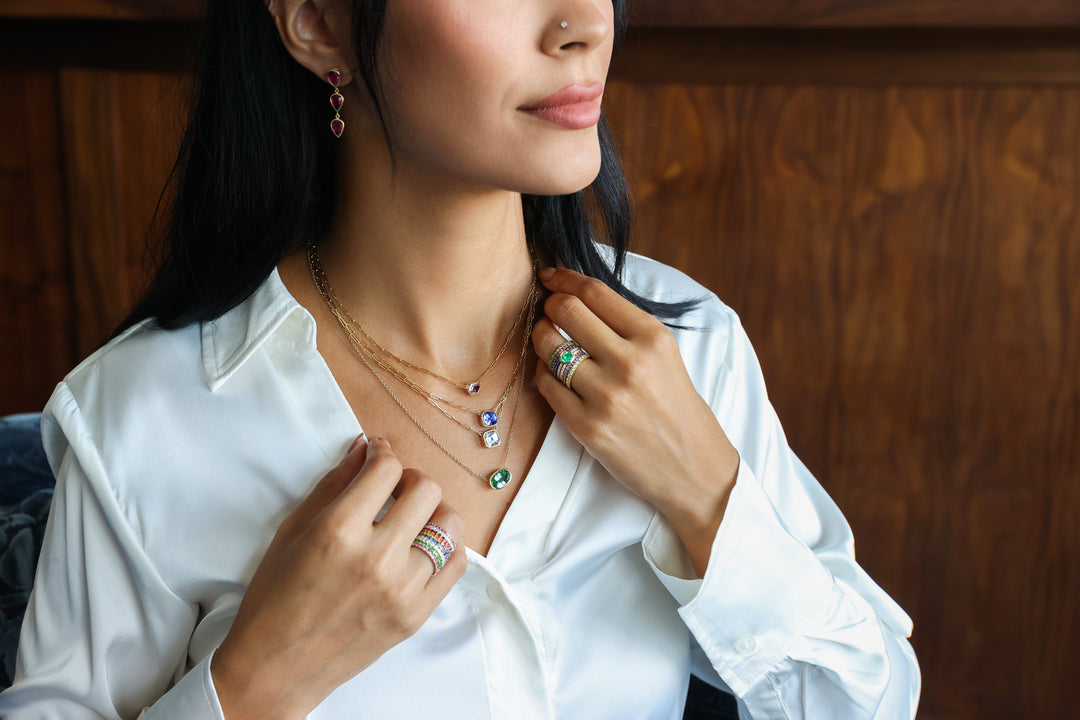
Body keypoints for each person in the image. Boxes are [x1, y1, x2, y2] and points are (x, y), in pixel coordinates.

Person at [0, 0, 920, 717]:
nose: (584, 25)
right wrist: (254, 687)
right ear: (320, 23)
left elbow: (869, 703)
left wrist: (708, 497)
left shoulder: (687, 353)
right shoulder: (144, 415)